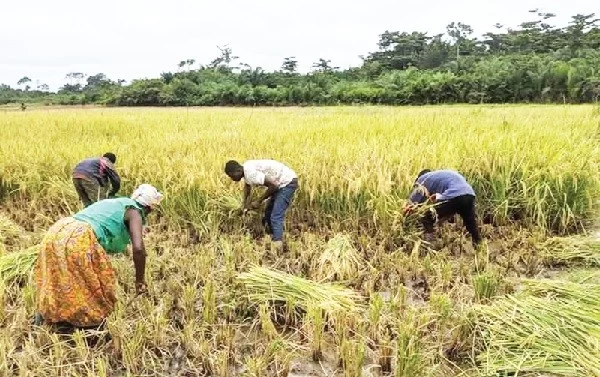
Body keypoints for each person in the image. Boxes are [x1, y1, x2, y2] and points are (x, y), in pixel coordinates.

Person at [34, 184, 163, 330]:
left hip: (58, 231)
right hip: (79, 237)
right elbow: (138, 249)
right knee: (94, 284)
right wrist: (140, 281)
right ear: (150, 207)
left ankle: (44, 316)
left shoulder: (117, 202)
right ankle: (89, 325)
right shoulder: (134, 212)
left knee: (55, 277)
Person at [224, 159, 298, 252]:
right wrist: (244, 204)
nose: (232, 179)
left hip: (287, 182)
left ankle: (278, 245)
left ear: (237, 171)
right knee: (268, 212)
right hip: (281, 183)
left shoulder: (251, 174)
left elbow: (273, 186)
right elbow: (247, 186)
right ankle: (272, 236)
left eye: (231, 176)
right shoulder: (246, 168)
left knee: (275, 215)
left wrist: (259, 201)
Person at [405, 169, 482, 246]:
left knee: (427, 216)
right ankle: (479, 247)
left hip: (455, 196)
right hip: (469, 194)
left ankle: (430, 244)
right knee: (471, 224)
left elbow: (411, 203)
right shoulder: (441, 175)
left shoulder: (422, 179)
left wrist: (404, 217)